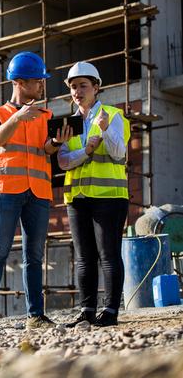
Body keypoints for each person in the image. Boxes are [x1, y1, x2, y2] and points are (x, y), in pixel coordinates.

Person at [0, 51, 72, 330]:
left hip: (39, 192)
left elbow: (46, 149)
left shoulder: (46, 114)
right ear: (19, 82)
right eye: (37, 81)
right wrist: (18, 117)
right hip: (8, 189)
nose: (42, 85)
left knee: (35, 255)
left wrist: (56, 141)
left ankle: (36, 316)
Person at [58, 62, 130, 327]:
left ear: (96, 87)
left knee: (109, 255)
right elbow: (63, 161)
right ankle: (86, 311)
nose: (77, 91)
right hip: (77, 198)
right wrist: (85, 152)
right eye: (73, 87)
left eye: (83, 86)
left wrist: (107, 128)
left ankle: (110, 312)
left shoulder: (114, 115)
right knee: (84, 257)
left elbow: (119, 153)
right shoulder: (69, 123)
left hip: (110, 196)